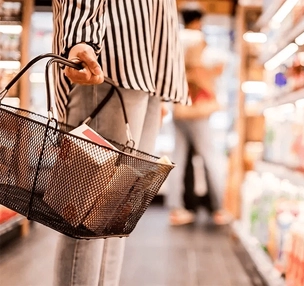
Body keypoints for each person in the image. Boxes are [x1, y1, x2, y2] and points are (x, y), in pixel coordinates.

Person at [51, 1, 188, 285]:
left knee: (115, 218)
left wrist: (159, 84)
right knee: (86, 220)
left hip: (149, 62)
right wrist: (81, 38)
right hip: (108, 57)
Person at [167, 7, 231, 226]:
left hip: (178, 106)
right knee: (210, 158)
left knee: (178, 157)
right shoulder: (198, 39)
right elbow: (219, 65)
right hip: (197, 109)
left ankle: (175, 208)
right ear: (197, 21)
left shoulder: (174, 38)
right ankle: (220, 208)